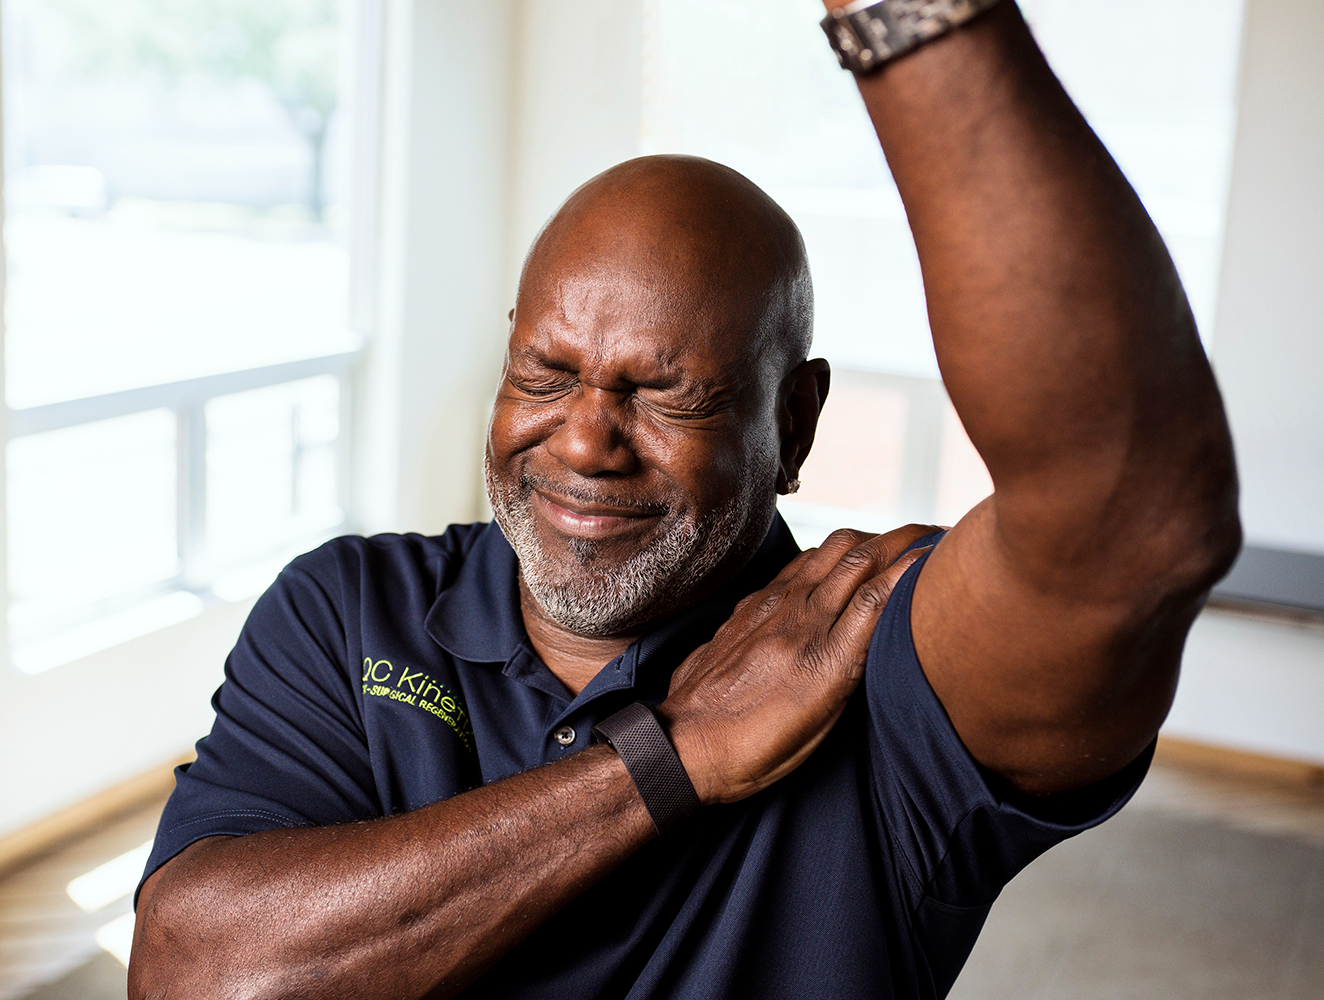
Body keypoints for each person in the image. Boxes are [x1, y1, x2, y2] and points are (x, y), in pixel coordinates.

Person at [128, 1, 1240, 997]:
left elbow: (1137, 521)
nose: (583, 441)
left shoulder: (872, 661)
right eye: (543, 375)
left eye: (667, 394)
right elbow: (195, 977)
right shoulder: (350, 606)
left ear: (794, 424)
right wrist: (672, 756)